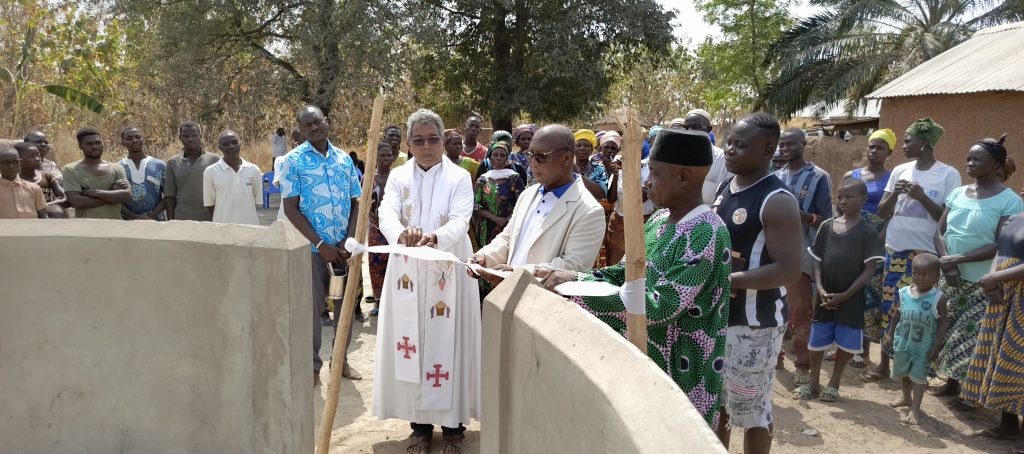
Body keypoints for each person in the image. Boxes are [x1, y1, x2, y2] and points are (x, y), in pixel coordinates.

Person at [539, 128, 731, 426]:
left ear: (683, 177)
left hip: (683, 377)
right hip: (648, 367)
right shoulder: (659, 220)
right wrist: (571, 277)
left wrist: (576, 290)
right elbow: (624, 272)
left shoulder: (706, 232)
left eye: (654, 173)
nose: (646, 182)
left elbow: (660, 306)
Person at [373, 109, 480, 454]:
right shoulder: (398, 176)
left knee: (451, 343)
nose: (426, 146)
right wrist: (401, 233)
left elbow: (461, 219)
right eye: (418, 140)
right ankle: (419, 427)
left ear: (443, 141)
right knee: (413, 341)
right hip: (407, 269)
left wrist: (435, 237)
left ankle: (453, 429)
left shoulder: (459, 177)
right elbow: (386, 212)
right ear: (409, 143)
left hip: (448, 268)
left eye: (433, 139)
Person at [712, 112, 802, 454]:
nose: (730, 150)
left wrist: (727, 280)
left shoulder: (776, 200)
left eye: (740, 145)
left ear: (767, 150)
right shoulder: (726, 188)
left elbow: (789, 270)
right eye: (729, 143)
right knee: (719, 404)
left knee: (752, 410)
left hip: (755, 325)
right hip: (720, 316)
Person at [863, 118, 961, 382]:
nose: (903, 146)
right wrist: (896, 194)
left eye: (908, 141)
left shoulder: (948, 174)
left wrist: (922, 197)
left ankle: (917, 369)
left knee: (919, 312)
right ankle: (885, 364)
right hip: (895, 249)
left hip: (925, 254)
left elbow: (945, 218)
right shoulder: (900, 170)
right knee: (891, 307)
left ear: (924, 143)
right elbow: (882, 211)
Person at [932, 134, 1023, 407]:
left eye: (976, 159)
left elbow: (1000, 244)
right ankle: (951, 382)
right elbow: (939, 231)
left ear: (995, 165)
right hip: (950, 276)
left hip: (982, 281)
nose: (969, 163)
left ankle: (969, 395)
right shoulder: (958, 193)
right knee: (948, 330)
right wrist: (947, 261)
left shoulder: (1009, 201)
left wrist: (958, 259)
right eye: (968, 158)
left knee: (970, 337)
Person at [280, 106, 363, 382]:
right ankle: (312, 367)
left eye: (317, 122)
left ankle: (340, 362)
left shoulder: (344, 159)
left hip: (343, 250)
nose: (313, 128)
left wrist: (348, 240)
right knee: (312, 310)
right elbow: (290, 208)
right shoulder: (293, 161)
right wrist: (320, 243)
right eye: (307, 125)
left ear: (326, 121)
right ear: (300, 130)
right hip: (312, 250)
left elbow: (355, 202)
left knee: (344, 307)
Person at [469, 124, 605, 280]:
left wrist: (518, 273)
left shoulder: (589, 211)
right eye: (530, 155)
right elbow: (508, 238)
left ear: (566, 158)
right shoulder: (527, 195)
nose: (533, 163)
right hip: (509, 291)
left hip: (545, 295)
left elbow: (574, 265)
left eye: (541, 156)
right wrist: (484, 256)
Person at [793, 179, 885, 403]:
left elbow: (869, 270)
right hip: (824, 296)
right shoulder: (827, 226)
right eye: (840, 196)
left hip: (851, 298)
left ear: (864, 199)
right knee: (817, 340)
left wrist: (846, 295)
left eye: (849, 197)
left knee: (845, 341)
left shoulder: (867, 232)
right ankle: (814, 382)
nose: (842, 201)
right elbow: (817, 261)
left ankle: (834, 383)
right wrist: (820, 287)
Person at [959, 211, 1024, 450]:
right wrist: (992, 280)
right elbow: (1000, 251)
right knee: (1002, 358)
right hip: (1003, 295)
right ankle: (1008, 425)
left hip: (1020, 298)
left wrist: (995, 277)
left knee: (1020, 363)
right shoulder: (1015, 218)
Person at [774, 127, 833, 384]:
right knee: (774, 307)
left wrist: (803, 216)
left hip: (800, 253)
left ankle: (802, 364)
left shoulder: (818, 177)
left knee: (800, 311)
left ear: (803, 144)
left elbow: (827, 219)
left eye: (791, 144)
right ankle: (775, 357)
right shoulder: (775, 176)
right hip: (773, 252)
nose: (785, 149)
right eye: (782, 145)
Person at [837, 128, 895, 368]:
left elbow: (891, 214)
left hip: (876, 238)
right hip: (850, 233)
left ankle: (862, 349)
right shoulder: (852, 175)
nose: (874, 151)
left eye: (880, 147)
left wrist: (877, 239)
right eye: (871, 146)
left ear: (889, 152)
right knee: (844, 287)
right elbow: (839, 204)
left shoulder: (891, 178)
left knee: (869, 292)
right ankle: (841, 344)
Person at [884, 253, 948, 425]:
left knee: (919, 377)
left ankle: (915, 408)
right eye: (916, 273)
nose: (919, 277)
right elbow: (897, 314)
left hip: (923, 348)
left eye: (925, 274)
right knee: (904, 372)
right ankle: (906, 397)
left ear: (936, 276)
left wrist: (937, 345)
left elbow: (943, 323)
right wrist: (890, 334)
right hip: (903, 343)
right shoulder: (904, 293)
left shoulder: (938, 298)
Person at [605, 131, 654, 265]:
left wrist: (627, 171)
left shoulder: (649, 170)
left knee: (636, 265)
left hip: (641, 224)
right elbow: (611, 199)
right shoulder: (619, 167)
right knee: (614, 265)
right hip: (617, 225)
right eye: (626, 148)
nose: (629, 152)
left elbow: (640, 198)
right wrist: (616, 176)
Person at [63, 128, 131, 219]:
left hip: (115, 224)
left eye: (98, 143)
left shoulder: (117, 168)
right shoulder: (71, 170)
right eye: (89, 144)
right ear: (80, 146)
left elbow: (126, 195)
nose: (95, 146)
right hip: (86, 225)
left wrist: (94, 193)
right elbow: (77, 202)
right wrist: (113, 194)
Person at [472, 141, 525, 249]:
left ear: (506, 159)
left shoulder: (514, 178)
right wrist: (497, 219)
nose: (499, 158)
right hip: (487, 227)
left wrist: (506, 221)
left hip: (509, 226)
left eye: (502, 155)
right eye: (495, 155)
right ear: (490, 158)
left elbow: (522, 203)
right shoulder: (483, 179)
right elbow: (476, 205)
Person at [203, 130, 262, 225]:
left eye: (234, 142)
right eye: (226, 144)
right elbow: (210, 204)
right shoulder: (210, 172)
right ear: (220, 147)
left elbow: (255, 201)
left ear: (240, 144)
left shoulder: (253, 170)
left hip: (250, 227)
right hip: (222, 228)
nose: (231, 146)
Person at [165, 121, 219, 221]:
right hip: (182, 218)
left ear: (200, 136)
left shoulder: (214, 159)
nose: (190, 139)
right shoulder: (172, 162)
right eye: (186, 136)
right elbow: (169, 196)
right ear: (180, 137)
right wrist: (171, 221)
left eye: (194, 135)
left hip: (210, 218)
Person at [366, 142, 397, 318]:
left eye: (389, 155)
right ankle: (378, 302)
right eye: (383, 155)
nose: (386, 158)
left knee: (395, 263)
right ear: (375, 157)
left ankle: (393, 302)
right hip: (376, 228)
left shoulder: (397, 177)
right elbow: (364, 205)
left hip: (395, 228)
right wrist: (378, 220)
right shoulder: (369, 178)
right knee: (376, 264)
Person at [682, 109, 732, 205]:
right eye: (686, 127)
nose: (690, 131)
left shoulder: (723, 159)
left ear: (709, 129)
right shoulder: (678, 155)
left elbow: (726, 196)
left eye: (696, 127)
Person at [118, 127, 166, 221]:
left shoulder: (159, 165)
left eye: (138, 137)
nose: (134, 140)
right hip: (128, 223)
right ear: (123, 143)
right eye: (129, 138)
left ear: (143, 139)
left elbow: (169, 196)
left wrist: (151, 215)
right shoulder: (118, 167)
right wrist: (135, 217)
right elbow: (115, 201)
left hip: (156, 221)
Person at [15, 142, 66, 218]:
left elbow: (64, 198)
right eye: (32, 156)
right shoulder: (14, 180)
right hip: (24, 215)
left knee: (56, 211)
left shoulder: (46, 176)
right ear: (19, 160)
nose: (38, 158)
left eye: (38, 155)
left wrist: (43, 206)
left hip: (47, 212)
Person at [0, 144, 47, 219]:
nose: (11, 166)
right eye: (5, 163)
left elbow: (43, 215)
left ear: (20, 163)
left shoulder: (34, 188)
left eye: (15, 162)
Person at [573, 129, 607, 199]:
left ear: (592, 149)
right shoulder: (566, 169)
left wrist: (577, 173)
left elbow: (601, 194)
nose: (582, 148)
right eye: (578, 145)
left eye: (586, 145)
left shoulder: (600, 169)